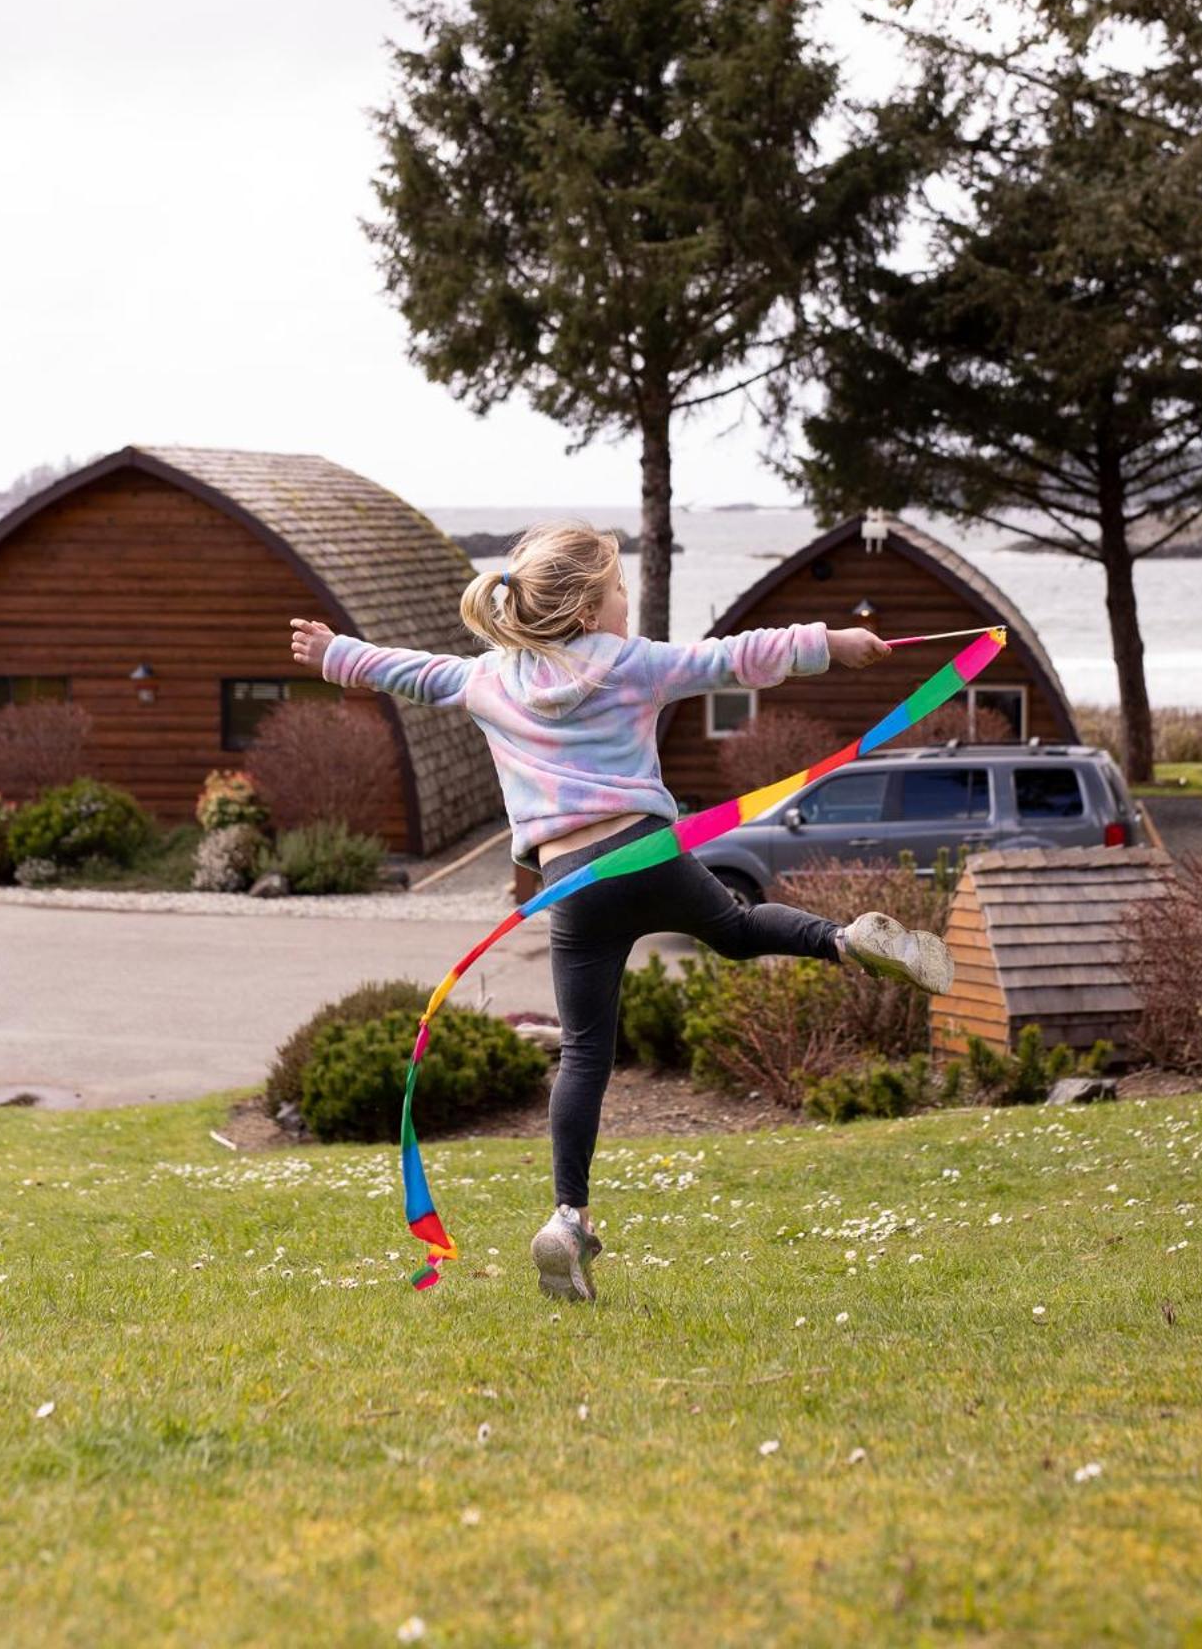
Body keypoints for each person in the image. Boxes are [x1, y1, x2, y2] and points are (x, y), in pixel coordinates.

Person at [289, 519, 952, 1305]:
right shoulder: (630, 665)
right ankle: (845, 940)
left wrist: (334, 653)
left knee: (583, 1056)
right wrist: (832, 643)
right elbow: (733, 657)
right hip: (646, 853)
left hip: (571, 882)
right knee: (736, 930)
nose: (625, 607)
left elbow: (408, 672)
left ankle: (567, 1217)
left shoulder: (487, 680)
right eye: (617, 594)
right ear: (584, 611)